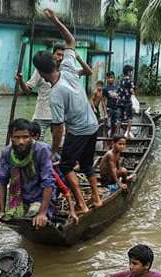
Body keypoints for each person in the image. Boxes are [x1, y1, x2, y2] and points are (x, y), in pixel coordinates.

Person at [32, 8, 102, 214]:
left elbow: (59, 129)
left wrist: (53, 152)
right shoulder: (68, 68)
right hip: (93, 125)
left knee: (66, 166)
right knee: (88, 165)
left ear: (42, 72)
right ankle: (97, 199)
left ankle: (81, 203)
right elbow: (71, 41)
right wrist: (55, 20)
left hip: (79, 131)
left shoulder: (55, 94)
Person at [16, 43, 92, 139]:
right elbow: (27, 90)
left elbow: (88, 72)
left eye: (63, 55)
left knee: (60, 145)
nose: (60, 58)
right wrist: (21, 81)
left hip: (59, 116)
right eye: (58, 54)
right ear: (53, 55)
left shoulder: (68, 70)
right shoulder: (41, 69)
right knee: (35, 143)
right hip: (41, 115)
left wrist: (78, 58)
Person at [0, 118, 55, 228]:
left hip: (41, 197)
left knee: (33, 217)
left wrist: (42, 213)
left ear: (32, 137)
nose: (21, 142)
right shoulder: (7, 153)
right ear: (11, 137)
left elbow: (48, 182)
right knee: (12, 217)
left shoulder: (42, 150)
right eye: (17, 137)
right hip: (21, 199)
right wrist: (1, 211)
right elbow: (2, 182)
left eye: (25, 137)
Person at [117, 65, 136, 138]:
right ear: (128, 72)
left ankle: (118, 133)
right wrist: (133, 94)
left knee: (119, 119)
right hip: (127, 102)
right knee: (129, 118)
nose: (131, 73)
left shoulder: (120, 80)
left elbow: (118, 91)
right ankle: (127, 133)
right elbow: (132, 90)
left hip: (119, 102)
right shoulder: (130, 80)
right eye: (131, 71)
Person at [103, 71, 120, 136]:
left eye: (112, 77)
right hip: (109, 109)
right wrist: (105, 113)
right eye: (109, 78)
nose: (110, 79)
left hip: (117, 109)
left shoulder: (117, 87)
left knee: (116, 125)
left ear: (114, 78)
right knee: (108, 126)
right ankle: (106, 142)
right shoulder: (105, 89)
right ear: (106, 79)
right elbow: (103, 102)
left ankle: (114, 140)